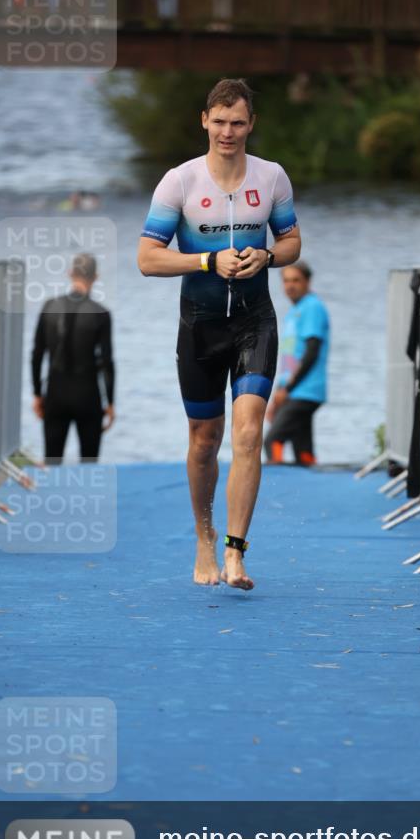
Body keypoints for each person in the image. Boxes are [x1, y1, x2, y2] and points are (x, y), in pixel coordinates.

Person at [137, 77, 301, 590]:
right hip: (201, 326)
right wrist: (208, 259)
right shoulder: (179, 183)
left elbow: (292, 241)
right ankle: (204, 537)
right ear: (204, 121)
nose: (227, 132)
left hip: (255, 322)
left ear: (251, 125)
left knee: (250, 432)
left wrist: (268, 256)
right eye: (219, 121)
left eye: (238, 122)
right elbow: (147, 258)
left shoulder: (271, 177)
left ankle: (235, 554)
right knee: (205, 441)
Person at [31, 253, 115, 464]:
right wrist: (111, 402)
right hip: (88, 396)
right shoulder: (101, 314)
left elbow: (37, 354)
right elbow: (107, 362)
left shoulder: (49, 307)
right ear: (95, 277)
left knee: (52, 461)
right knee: (88, 463)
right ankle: (86, 496)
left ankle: (52, 496)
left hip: (55, 394)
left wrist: (37, 394)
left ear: (70, 273)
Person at [265, 261, 329, 466]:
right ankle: (313, 481)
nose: (290, 286)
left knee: (273, 440)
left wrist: (288, 389)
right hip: (293, 390)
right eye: (286, 281)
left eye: (296, 280)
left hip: (305, 391)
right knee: (303, 450)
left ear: (308, 282)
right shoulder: (295, 311)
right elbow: (290, 359)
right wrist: (279, 392)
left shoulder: (312, 307)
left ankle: (276, 484)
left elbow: (311, 353)